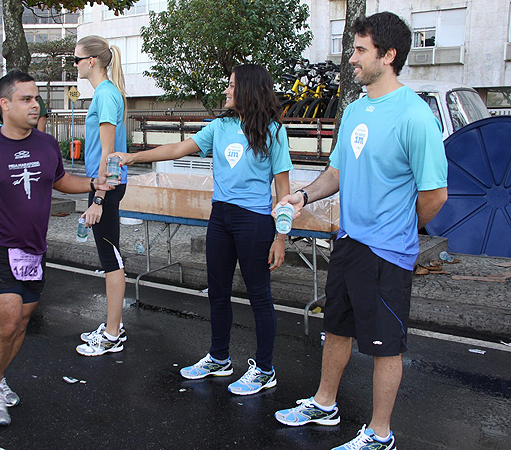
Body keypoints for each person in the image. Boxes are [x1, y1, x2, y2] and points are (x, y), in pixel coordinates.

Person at [273, 12, 448, 450]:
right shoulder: (353, 110)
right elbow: (336, 173)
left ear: (388, 56)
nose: (351, 58)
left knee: (386, 345)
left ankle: (380, 434)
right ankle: (324, 403)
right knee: (337, 328)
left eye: (360, 50)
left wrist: (401, 228)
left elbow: (436, 194)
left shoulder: (414, 115)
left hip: (387, 252)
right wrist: (303, 196)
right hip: (348, 241)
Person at [112, 64, 292, 395]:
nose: (226, 91)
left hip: (254, 221)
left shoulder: (274, 132)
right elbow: (177, 149)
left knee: (259, 297)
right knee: (217, 291)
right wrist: (133, 157)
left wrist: (281, 237)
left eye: (232, 86)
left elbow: (284, 192)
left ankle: (265, 369)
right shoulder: (220, 126)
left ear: (249, 89)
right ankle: (219, 358)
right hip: (221, 216)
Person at [0, 70, 113, 426]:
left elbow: (59, 179)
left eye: (37, 98)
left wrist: (93, 183)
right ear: (5, 104)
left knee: (21, 323)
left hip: (33, 249)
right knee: (5, 322)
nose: (36, 105)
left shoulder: (46, 144)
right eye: (26, 99)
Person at [73, 35, 130, 357]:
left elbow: (109, 153)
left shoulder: (106, 95)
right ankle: (113, 327)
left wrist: (98, 199)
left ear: (91, 61)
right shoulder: (105, 94)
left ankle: (112, 334)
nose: (76, 65)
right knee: (111, 255)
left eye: (77, 59)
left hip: (106, 185)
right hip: (105, 185)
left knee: (111, 258)